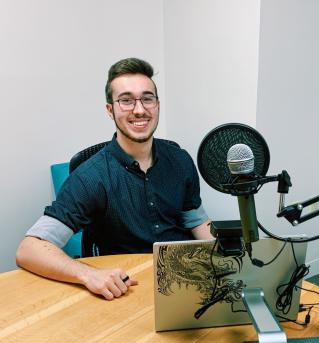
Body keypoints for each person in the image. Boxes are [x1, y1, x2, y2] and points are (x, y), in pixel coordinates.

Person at [16, 58, 213, 300]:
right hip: (127, 291)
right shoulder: (90, 177)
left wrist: (226, 258)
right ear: (110, 110)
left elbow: (197, 221)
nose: (139, 110)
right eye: (126, 100)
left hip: (184, 284)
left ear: (157, 105)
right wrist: (88, 274)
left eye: (147, 98)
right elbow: (29, 249)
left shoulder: (180, 160)